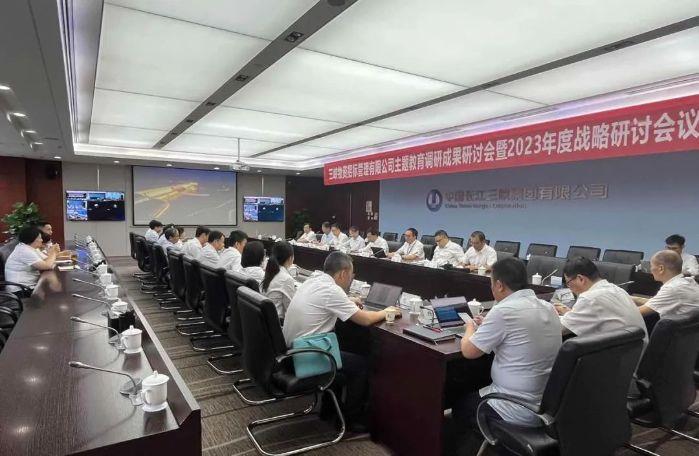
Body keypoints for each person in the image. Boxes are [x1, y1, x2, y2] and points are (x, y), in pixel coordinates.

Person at [282, 251, 400, 428]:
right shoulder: (332, 291)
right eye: (351, 275)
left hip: (291, 351)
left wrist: (347, 300)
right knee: (361, 365)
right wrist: (387, 311)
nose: (351, 279)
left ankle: (328, 410)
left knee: (342, 355)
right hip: (305, 356)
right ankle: (351, 419)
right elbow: (366, 319)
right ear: (343, 273)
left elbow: (327, 300)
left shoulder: (314, 280)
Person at [455, 257, 561, 428]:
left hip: (511, 407)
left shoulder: (504, 310)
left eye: (491, 284)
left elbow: (468, 351)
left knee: (460, 405)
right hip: (545, 405)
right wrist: (489, 325)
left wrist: (469, 327)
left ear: (499, 285)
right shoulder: (548, 307)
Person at [556, 257, 648, 343]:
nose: (569, 288)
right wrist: (569, 313)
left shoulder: (590, 298)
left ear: (580, 279)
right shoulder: (616, 289)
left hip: (619, 353)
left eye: (568, 283)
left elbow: (559, 329)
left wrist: (550, 312)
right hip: (637, 349)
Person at [632, 250, 699, 317]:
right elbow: (657, 302)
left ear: (661, 268)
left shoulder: (672, 288)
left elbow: (636, 314)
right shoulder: (686, 282)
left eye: (651, 266)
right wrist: (629, 298)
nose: (651, 270)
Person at [4, 226, 61, 294]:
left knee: (53, 289)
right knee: (55, 292)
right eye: (39, 238)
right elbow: (46, 266)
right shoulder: (24, 250)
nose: (42, 240)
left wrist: (53, 253)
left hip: (30, 286)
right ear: (32, 239)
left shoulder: (31, 248)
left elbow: (46, 259)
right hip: (20, 290)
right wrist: (53, 253)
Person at [261, 241, 296, 319]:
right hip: (277, 322)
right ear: (290, 258)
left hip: (266, 319)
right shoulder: (286, 279)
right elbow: (291, 310)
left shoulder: (270, 271)